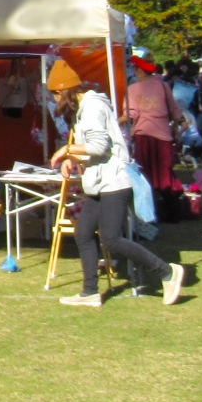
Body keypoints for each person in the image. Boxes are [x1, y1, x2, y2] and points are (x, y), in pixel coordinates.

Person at [47, 60, 184, 308]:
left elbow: (100, 146)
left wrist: (65, 150)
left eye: (54, 96)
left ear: (61, 91)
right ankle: (90, 292)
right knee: (83, 233)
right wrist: (73, 158)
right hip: (98, 182)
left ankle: (167, 273)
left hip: (114, 181)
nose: (55, 103)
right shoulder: (83, 108)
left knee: (111, 239)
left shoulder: (92, 107)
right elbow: (93, 149)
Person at [124, 58, 182, 222]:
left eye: (136, 70)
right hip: (163, 135)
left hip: (143, 135)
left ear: (140, 71)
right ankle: (172, 213)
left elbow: (131, 113)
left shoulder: (133, 89)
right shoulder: (164, 86)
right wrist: (175, 130)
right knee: (165, 174)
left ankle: (148, 215)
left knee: (145, 175)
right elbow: (175, 110)